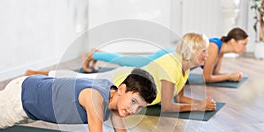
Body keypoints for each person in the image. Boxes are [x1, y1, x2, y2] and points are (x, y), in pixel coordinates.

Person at [0, 68, 167, 132]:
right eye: (133, 102)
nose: (133, 111)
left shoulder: (116, 101)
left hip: (32, 88)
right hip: (21, 100)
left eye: (140, 107)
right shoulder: (96, 100)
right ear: (122, 89)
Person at [25, 32, 216, 113]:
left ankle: (40, 74)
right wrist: (199, 107)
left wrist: (203, 103)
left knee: (79, 79)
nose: (207, 55)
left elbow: (179, 97)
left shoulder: (184, 68)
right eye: (204, 51)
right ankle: (37, 73)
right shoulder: (171, 66)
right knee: (77, 79)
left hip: (126, 77)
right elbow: (168, 106)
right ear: (192, 51)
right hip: (118, 81)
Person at [82, 27, 248, 83]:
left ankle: (98, 54)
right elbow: (207, 78)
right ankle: (94, 54)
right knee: (130, 61)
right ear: (232, 41)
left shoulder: (220, 51)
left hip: (172, 53)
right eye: (243, 43)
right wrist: (229, 76)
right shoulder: (213, 48)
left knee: (130, 61)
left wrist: (229, 75)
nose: (245, 47)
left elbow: (214, 73)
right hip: (167, 56)